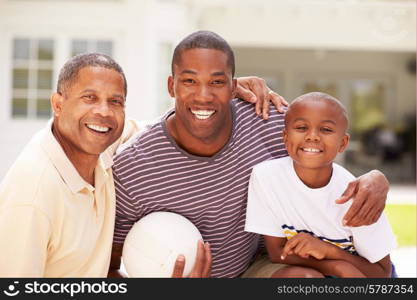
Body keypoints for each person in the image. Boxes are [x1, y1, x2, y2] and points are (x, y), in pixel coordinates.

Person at [109, 31, 390, 278]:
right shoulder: (134, 168)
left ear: (234, 86)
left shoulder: (265, 119)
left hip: (262, 265)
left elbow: (321, 139)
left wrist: (376, 178)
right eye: (190, 81)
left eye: (217, 82)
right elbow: (110, 267)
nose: (203, 96)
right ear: (172, 86)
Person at [0, 52, 282, 277]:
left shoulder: (103, 143)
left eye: (115, 101)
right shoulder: (32, 197)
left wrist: (216, 92)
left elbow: (181, 128)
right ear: (58, 104)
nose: (103, 112)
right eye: (89, 98)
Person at [245, 92, 397, 278]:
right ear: (285, 137)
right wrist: (335, 267)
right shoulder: (266, 177)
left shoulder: (358, 198)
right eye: (301, 127)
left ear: (343, 143)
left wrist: (331, 252)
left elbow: (382, 273)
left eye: (325, 129)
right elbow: (278, 253)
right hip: (315, 270)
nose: (313, 136)